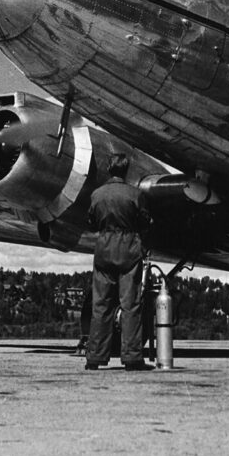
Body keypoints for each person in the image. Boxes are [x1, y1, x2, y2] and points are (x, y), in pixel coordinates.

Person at [85, 153, 153, 371]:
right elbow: (145, 221)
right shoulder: (135, 194)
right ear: (126, 170)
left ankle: (94, 358)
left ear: (109, 169)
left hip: (104, 248)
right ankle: (132, 358)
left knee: (101, 304)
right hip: (129, 249)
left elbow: (92, 223)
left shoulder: (97, 194)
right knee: (130, 304)